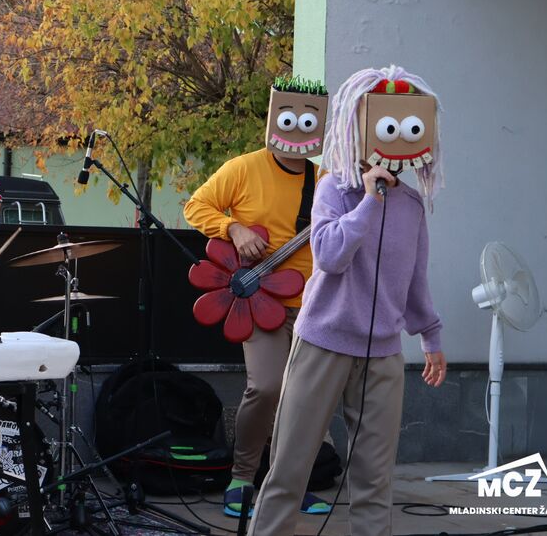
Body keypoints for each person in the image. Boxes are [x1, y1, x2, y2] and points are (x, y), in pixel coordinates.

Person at [249, 65, 447, 536]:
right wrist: (369, 201)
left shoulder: (412, 206)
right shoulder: (334, 189)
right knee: (289, 470)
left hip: (383, 356)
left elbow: (414, 279)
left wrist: (431, 335)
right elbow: (330, 255)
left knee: (375, 482)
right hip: (323, 343)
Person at [184, 77, 332, 518]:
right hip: (258, 301)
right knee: (265, 387)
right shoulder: (244, 168)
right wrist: (233, 228)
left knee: (302, 399)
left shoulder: (323, 179)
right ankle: (242, 478)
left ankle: (289, 484)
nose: (298, 126)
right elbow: (196, 207)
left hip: (312, 306)